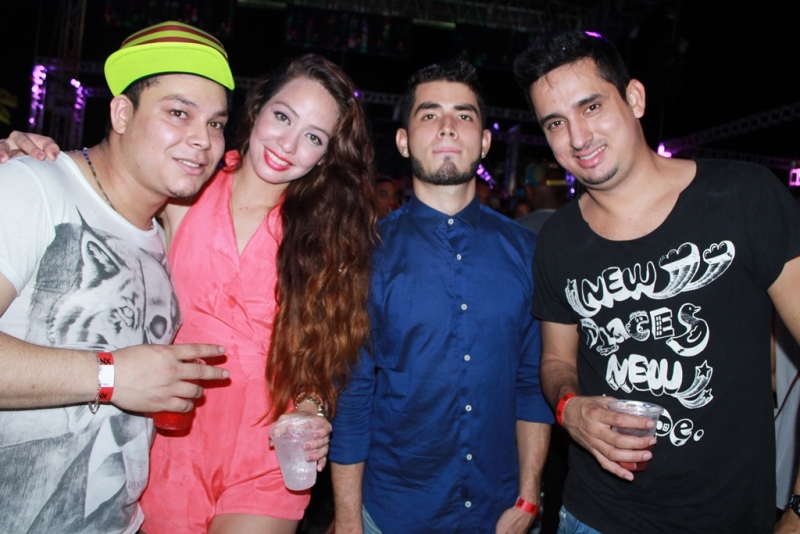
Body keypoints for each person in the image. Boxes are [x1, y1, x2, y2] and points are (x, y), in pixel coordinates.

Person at [0, 52, 378, 532]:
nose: (288, 144)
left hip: (267, 450)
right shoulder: (185, 191)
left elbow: (318, 356)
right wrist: (36, 154)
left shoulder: (325, 235)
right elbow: (110, 181)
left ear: (325, 155)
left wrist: (310, 410)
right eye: (283, 117)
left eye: (313, 137)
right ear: (257, 109)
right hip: (170, 435)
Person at [513, 28, 800, 533]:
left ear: (635, 98)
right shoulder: (558, 239)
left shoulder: (744, 197)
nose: (577, 137)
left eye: (591, 107)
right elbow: (556, 360)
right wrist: (569, 408)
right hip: (592, 518)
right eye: (555, 122)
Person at [0, 21, 232, 533]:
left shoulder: (167, 236)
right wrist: (112, 376)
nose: (203, 139)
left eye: (216, 123)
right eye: (179, 113)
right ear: (122, 113)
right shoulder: (31, 187)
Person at [329, 57, 553, 534]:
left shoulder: (527, 252)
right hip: (393, 515)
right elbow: (353, 397)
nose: (448, 126)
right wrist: (347, 520)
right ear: (403, 140)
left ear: (485, 141)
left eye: (463, 115)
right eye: (429, 114)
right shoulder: (366, 254)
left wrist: (529, 497)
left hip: (501, 513)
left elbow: (532, 385)